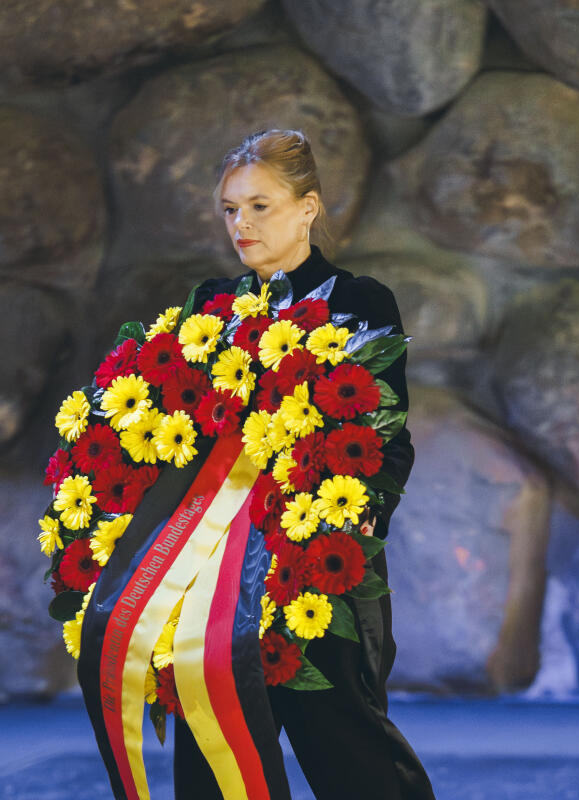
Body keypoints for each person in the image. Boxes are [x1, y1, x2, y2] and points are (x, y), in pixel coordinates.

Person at [172, 129, 435, 799]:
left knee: (350, 752)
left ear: (308, 208)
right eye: (230, 209)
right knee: (212, 762)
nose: (242, 224)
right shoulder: (210, 307)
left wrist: (342, 527)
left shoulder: (359, 303)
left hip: (320, 572)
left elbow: (387, 442)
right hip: (217, 582)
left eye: (260, 206)